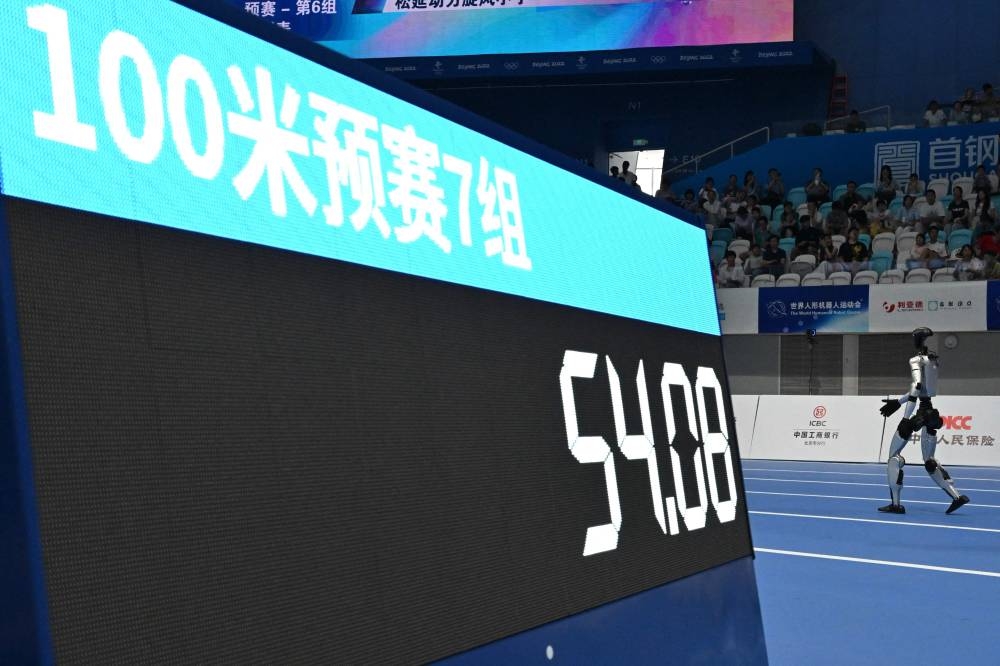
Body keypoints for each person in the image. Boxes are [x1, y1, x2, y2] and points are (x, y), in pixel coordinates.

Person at [878, 328, 969, 515]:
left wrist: (904, 418)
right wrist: (897, 401)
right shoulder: (933, 360)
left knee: (893, 457)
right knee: (929, 461)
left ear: (916, 340)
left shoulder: (916, 360)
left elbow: (917, 387)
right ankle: (956, 496)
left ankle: (896, 504)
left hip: (919, 413)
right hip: (931, 412)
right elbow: (924, 390)